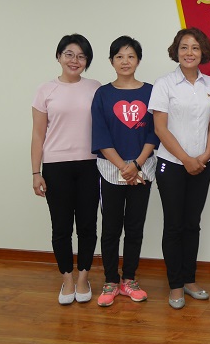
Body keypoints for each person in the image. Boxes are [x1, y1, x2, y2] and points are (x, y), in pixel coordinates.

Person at [149, 28, 210, 309]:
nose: (189, 53)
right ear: (176, 51)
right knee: (174, 225)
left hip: (203, 164)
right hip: (172, 164)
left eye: (195, 48)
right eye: (184, 47)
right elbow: (160, 128)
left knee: (192, 224)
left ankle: (189, 279)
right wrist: (186, 159)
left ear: (203, 52)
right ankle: (176, 284)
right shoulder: (164, 84)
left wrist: (205, 155)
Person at [31, 34, 101, 305]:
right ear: (59, 56)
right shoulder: (45, 90)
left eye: (81, 56)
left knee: (87, 225)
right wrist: (36, 172)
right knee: (61, 227)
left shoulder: (95, 88)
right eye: (69, 54)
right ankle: (67, 279)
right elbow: (38, 135)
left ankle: (83, 278)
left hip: (90, 165)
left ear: (87, 61)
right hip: (55, 166)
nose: (75, 60)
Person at [91, 36, 158, 307]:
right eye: (119, 56)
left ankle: (129, 279)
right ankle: (110, 280)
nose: (125, 61)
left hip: (142, 169)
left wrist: (137, 164)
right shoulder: (103, 94)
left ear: (138, 60)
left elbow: (155, 132)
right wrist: (123, 166)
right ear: (111, 61)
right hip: (110, 170)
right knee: (110, 228)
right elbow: (100, 135)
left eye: (131, 56)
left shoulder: (151, 91)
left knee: (135, 227)